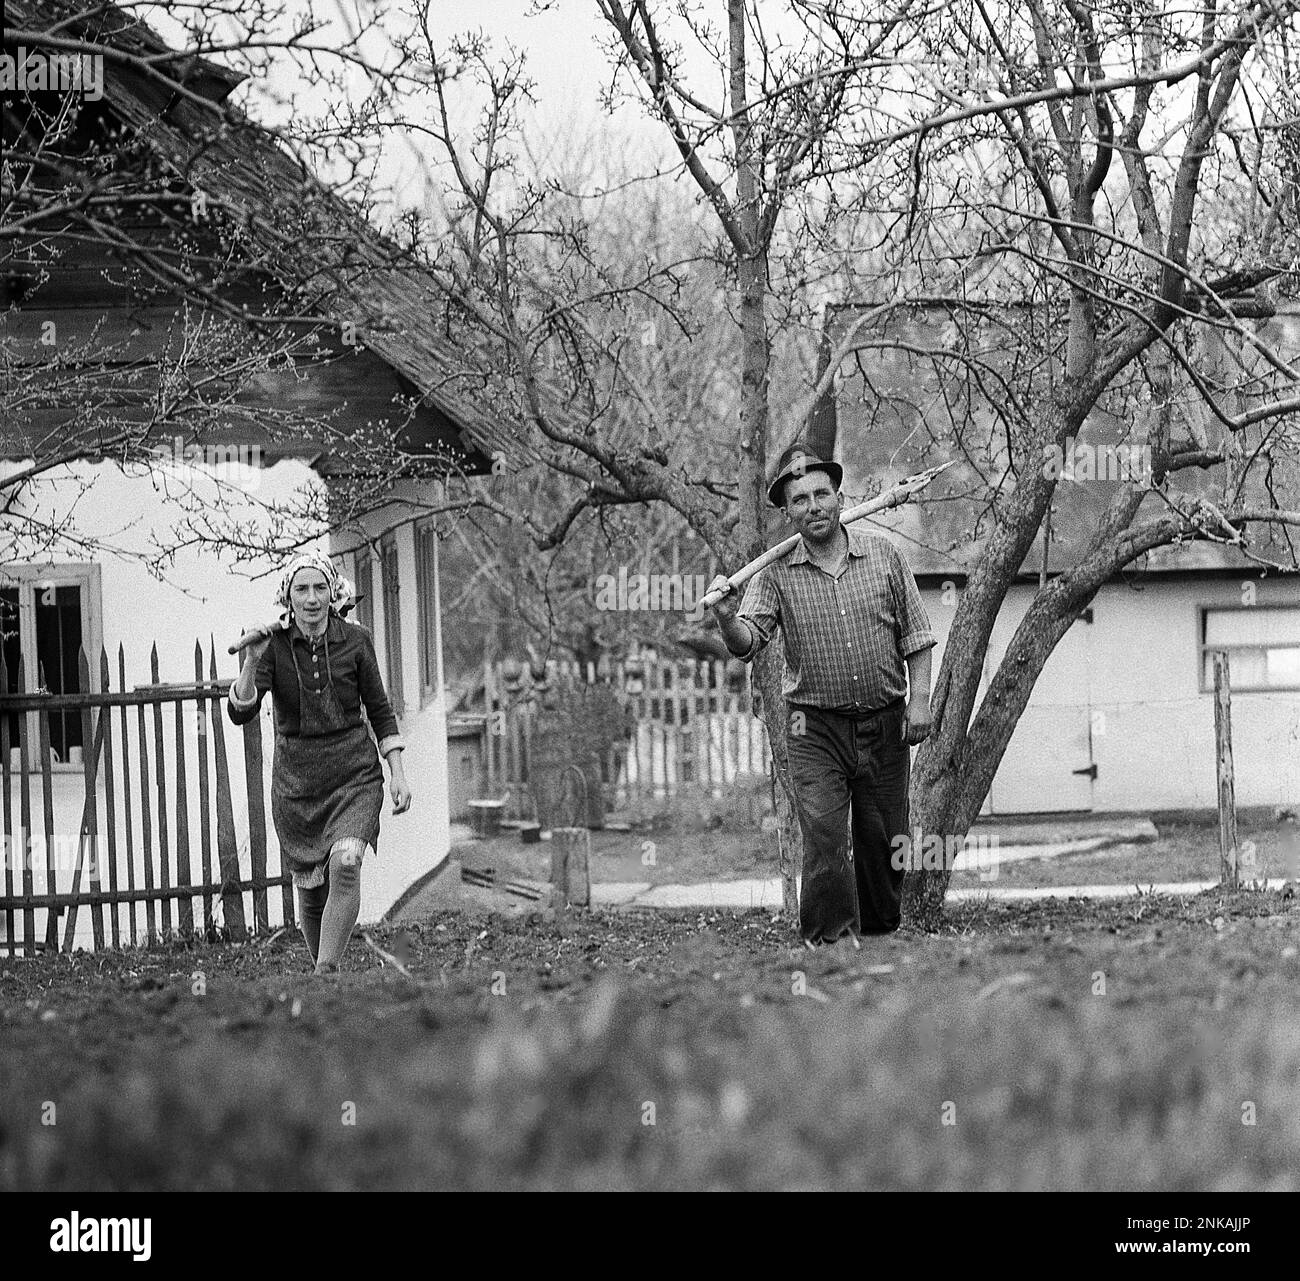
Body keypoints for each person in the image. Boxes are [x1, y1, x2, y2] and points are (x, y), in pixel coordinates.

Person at [707, 445, 935, 945]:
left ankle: (879, 938)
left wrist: (919, 701)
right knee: (826, 837)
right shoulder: (775, 574)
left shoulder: (884, 557)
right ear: (787, 512)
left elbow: (917, 638)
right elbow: (748, 643)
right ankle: (827, 943)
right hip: (815, 730)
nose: (813, 506)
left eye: (821, 494)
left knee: (884, 839)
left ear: (839, 498)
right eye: (799, 500)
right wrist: (726, 617)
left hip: (885, 724)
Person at [227, 551, 411, 973]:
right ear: (288, 598)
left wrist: (397, 772)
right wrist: (251, 661)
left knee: (345, 865)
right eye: (302, 589)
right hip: (297, 787)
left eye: (319, 588)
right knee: (311, 892)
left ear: (333, 593)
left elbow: (380, 711)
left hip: (354, 777)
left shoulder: (356, 641)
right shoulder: (273, 646)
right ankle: (323, 980)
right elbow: (240, 713)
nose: (311, 598)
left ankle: (323, 972)